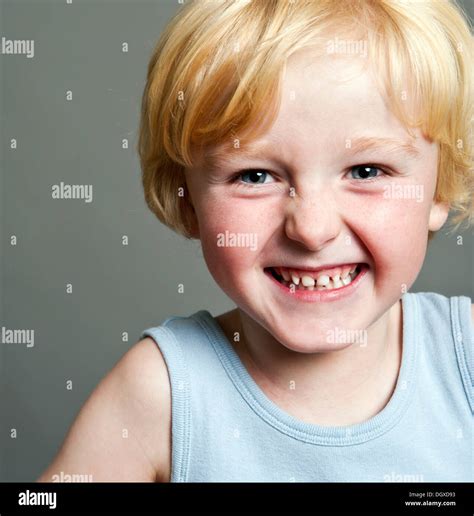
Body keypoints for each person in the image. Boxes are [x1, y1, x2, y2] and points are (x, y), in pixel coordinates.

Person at [38, 0, 473, 482]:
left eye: (367, 171)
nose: (311, 228)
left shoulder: (465, 357)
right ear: (188, 202)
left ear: (443, 187)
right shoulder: (160, 394)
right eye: (255, 175)